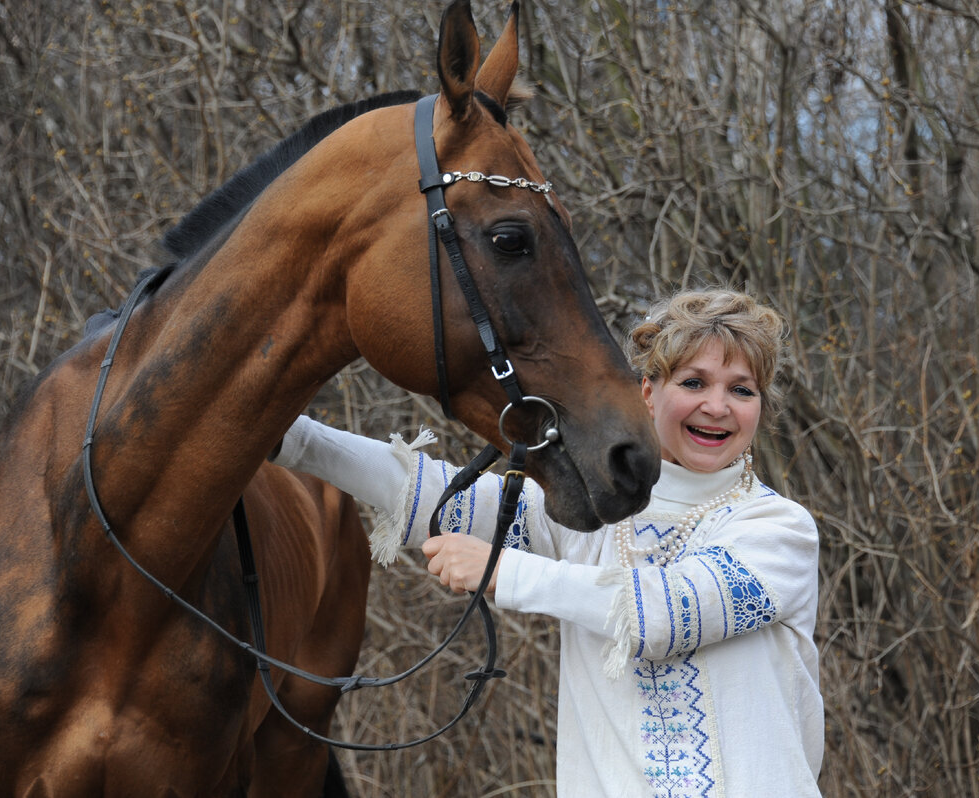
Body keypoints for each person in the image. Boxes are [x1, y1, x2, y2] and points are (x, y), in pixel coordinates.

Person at [272, 287, 823, 796]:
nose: (718, 406)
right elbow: (430, 493)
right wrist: (290, 438)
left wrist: (503, 572)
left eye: (742, 390)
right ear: (648, 394)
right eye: (694, 382)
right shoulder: (597, 511)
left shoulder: (779, 530)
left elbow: (666, 613)